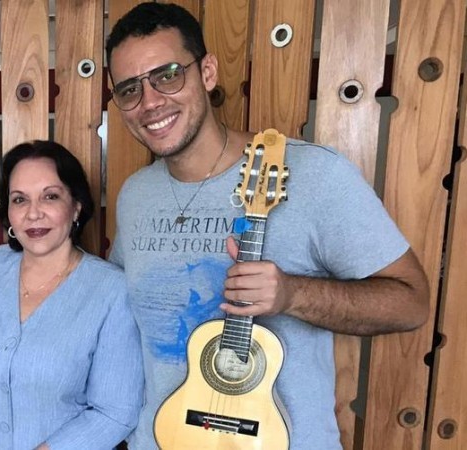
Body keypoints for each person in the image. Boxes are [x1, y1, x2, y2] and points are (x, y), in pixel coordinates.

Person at [105, 3, 429, 449]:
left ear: (207, 72)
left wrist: (292, 294)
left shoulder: (315, 175)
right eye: (129, 90)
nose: (150, 102)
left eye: (168, 75)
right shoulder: (135, 195)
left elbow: (412, 303)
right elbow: (113, 315)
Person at [0, 140, 144, 450]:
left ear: (76, 206)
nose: (33, 213)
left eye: (50, 196)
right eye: (19, 199)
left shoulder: (111, 291)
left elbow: (116, 412)